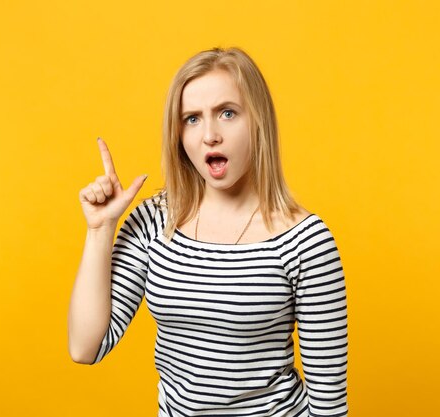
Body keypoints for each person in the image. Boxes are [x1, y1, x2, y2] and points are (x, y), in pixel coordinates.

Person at [68, 47, 348, 417]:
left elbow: (329, 404)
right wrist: (100, 229)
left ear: (258, 121)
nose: (210, 135)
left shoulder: (306, 241)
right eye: (192, 119)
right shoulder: (154, 222)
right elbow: (85, 347)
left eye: (227, 113)